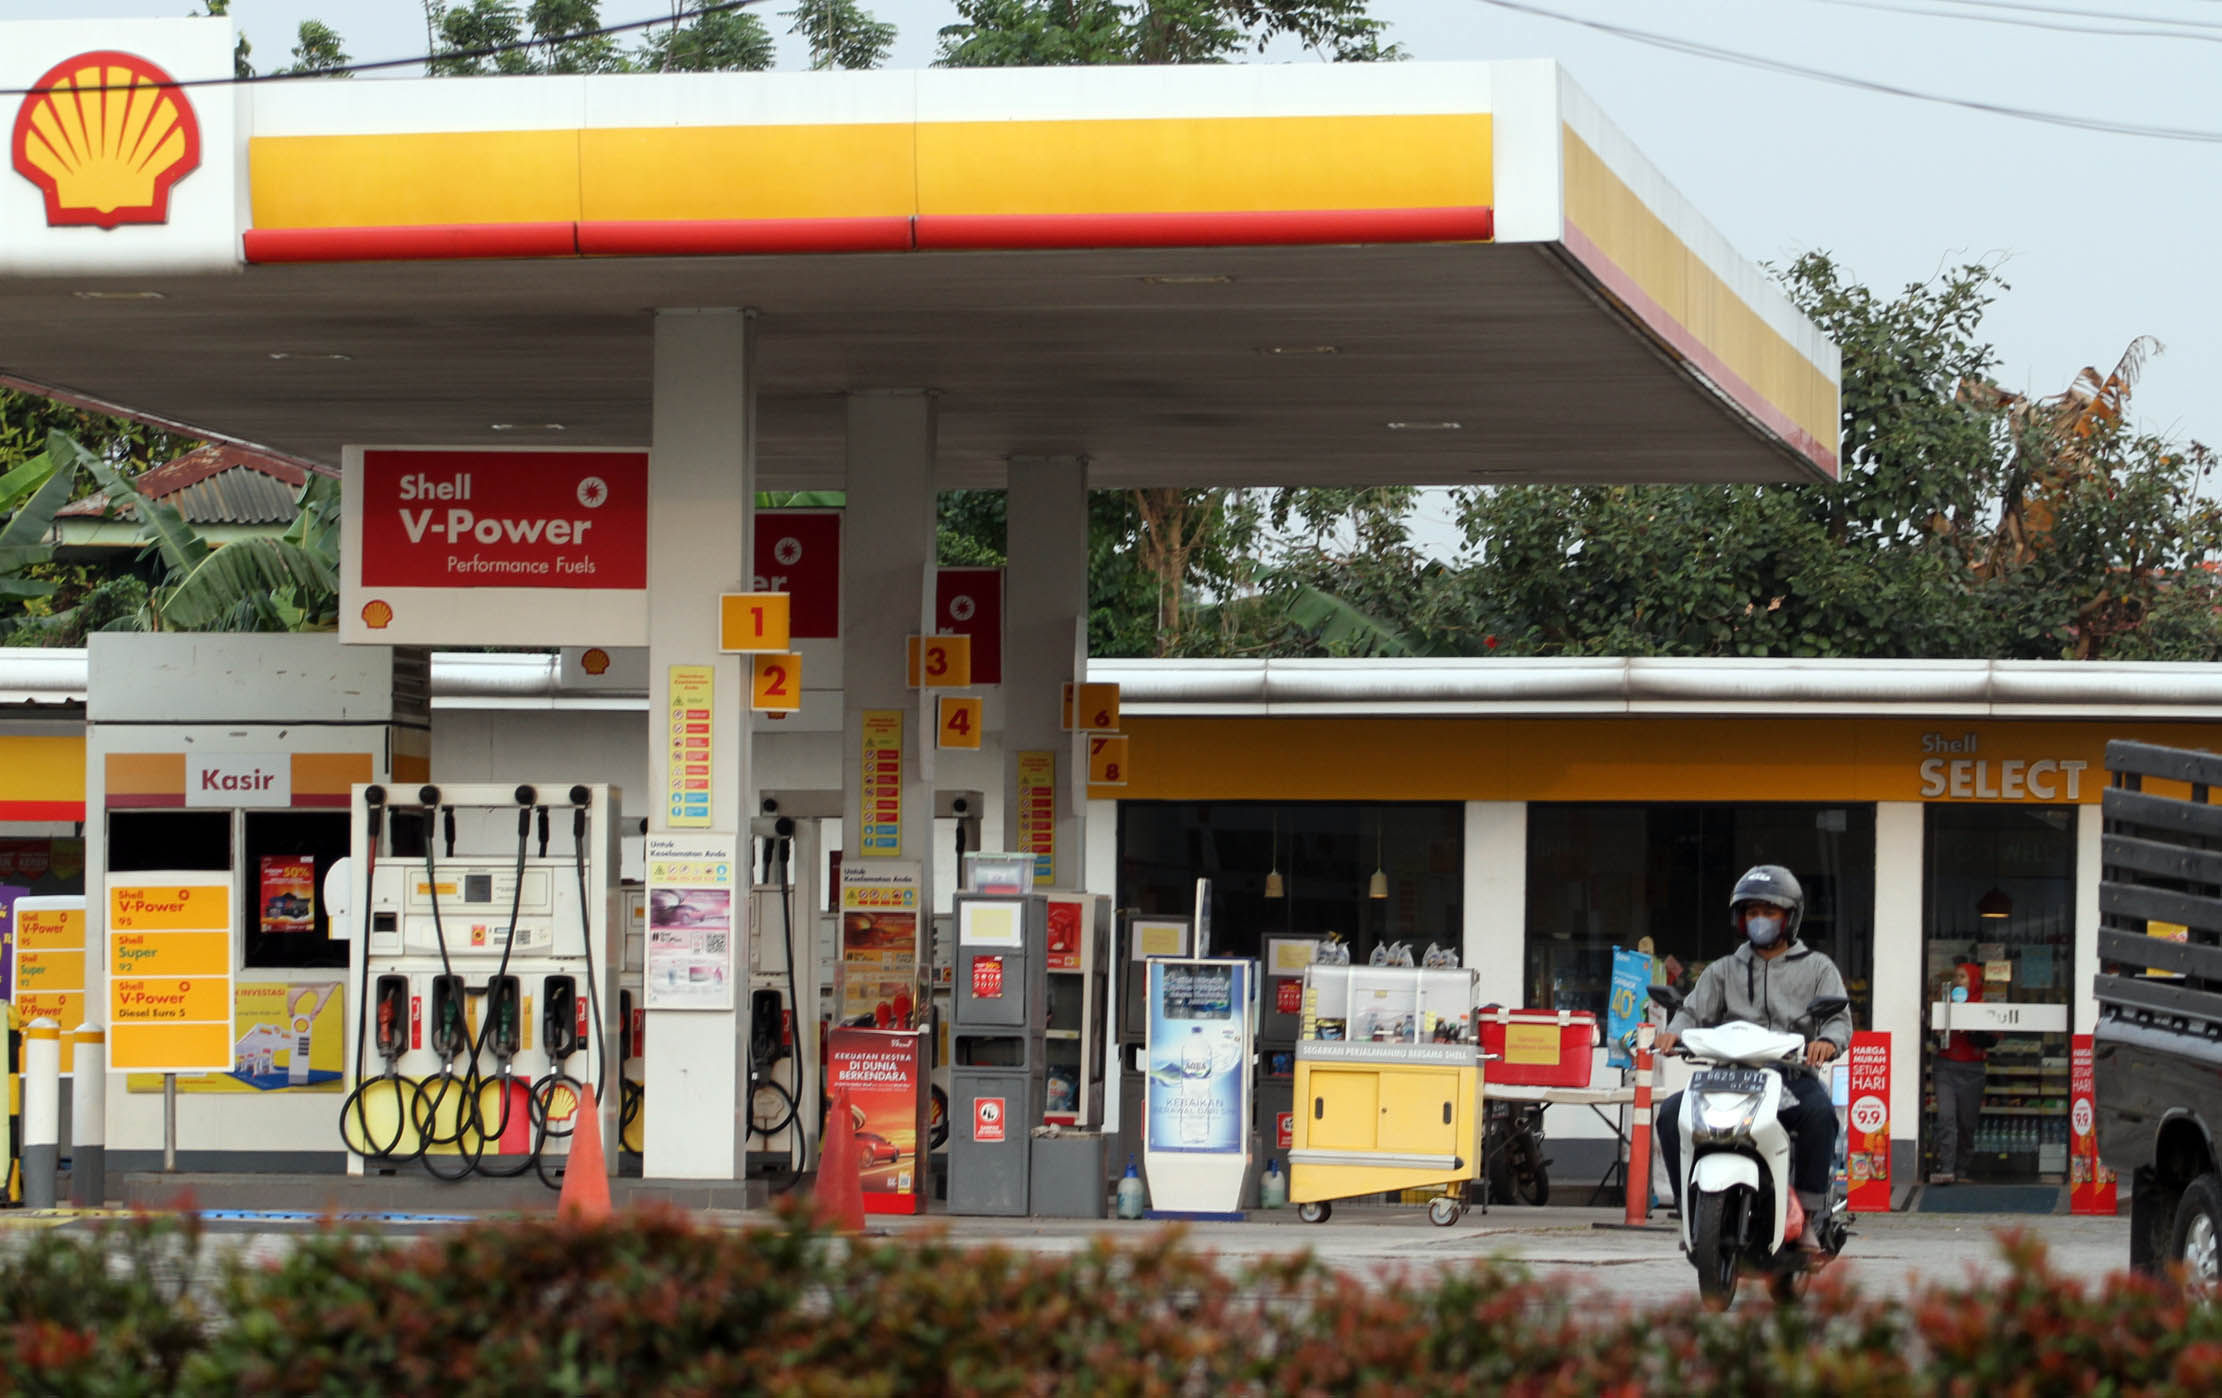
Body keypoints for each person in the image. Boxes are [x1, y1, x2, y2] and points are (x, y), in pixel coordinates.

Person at [1654, 864, 1854, 1251]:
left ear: (1790, 917)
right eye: (1752, 912)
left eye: (1769, 911)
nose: (1759, 919)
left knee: (1819, 1114)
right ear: (1741, 919)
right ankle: (1691, 1209)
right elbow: (1692, 1012)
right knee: (1671, 1114)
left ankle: (1808, 1216)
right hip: (1728, 1077)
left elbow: (1838, 1020)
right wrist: (1674, 1033)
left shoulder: (1817, 967)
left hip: (1789, 1078)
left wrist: (1828, 1041)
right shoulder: (1723, 970)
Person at [1930, 964, 1994, 1186]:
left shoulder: (1983, 1006)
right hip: (1945, 1068)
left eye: (1963, 977)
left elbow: (1991, 1040)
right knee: (1946, 1118)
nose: (1958, 981)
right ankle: (1947, 1168)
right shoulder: (1946, 1005)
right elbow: (1932, 1037)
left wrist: (1973, 1029)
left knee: (1967, 1123)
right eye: (1956, 976)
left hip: (1973, 1070)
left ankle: (1962, 1168)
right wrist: (1938, 1030)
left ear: (1974, 981)